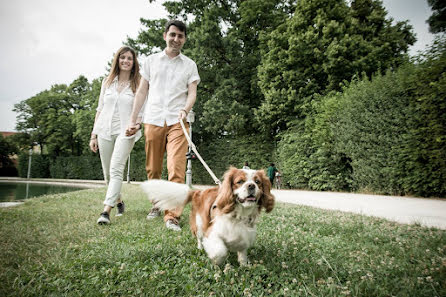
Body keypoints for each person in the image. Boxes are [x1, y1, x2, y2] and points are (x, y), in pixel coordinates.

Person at [126, 20, 200, 231]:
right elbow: (142, 92)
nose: (176, 39)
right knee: (153, 167)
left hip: (179, 120)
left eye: (180, 36)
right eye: (173, 35)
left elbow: (192, 92)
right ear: (165, 35)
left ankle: (172, 216)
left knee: (176, 167)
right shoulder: (150, 61)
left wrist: (185, 110)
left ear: (184, 39)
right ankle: (157, 204)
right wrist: (134, 119)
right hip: (154, 117)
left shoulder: (190, 65)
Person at [90, 46, 143, 225]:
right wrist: (93, 135)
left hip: (126, 132)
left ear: (134, 62)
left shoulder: (138, 84)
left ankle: (106, 212)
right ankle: (119, 202)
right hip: (104, 130)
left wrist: (136, 126)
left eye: (130, 58)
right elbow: (100, 109)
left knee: (116, 169)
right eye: (123, 58)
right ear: (117, 60)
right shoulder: (107, 82)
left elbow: (142, 112)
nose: (126, 61)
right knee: (107, 174)